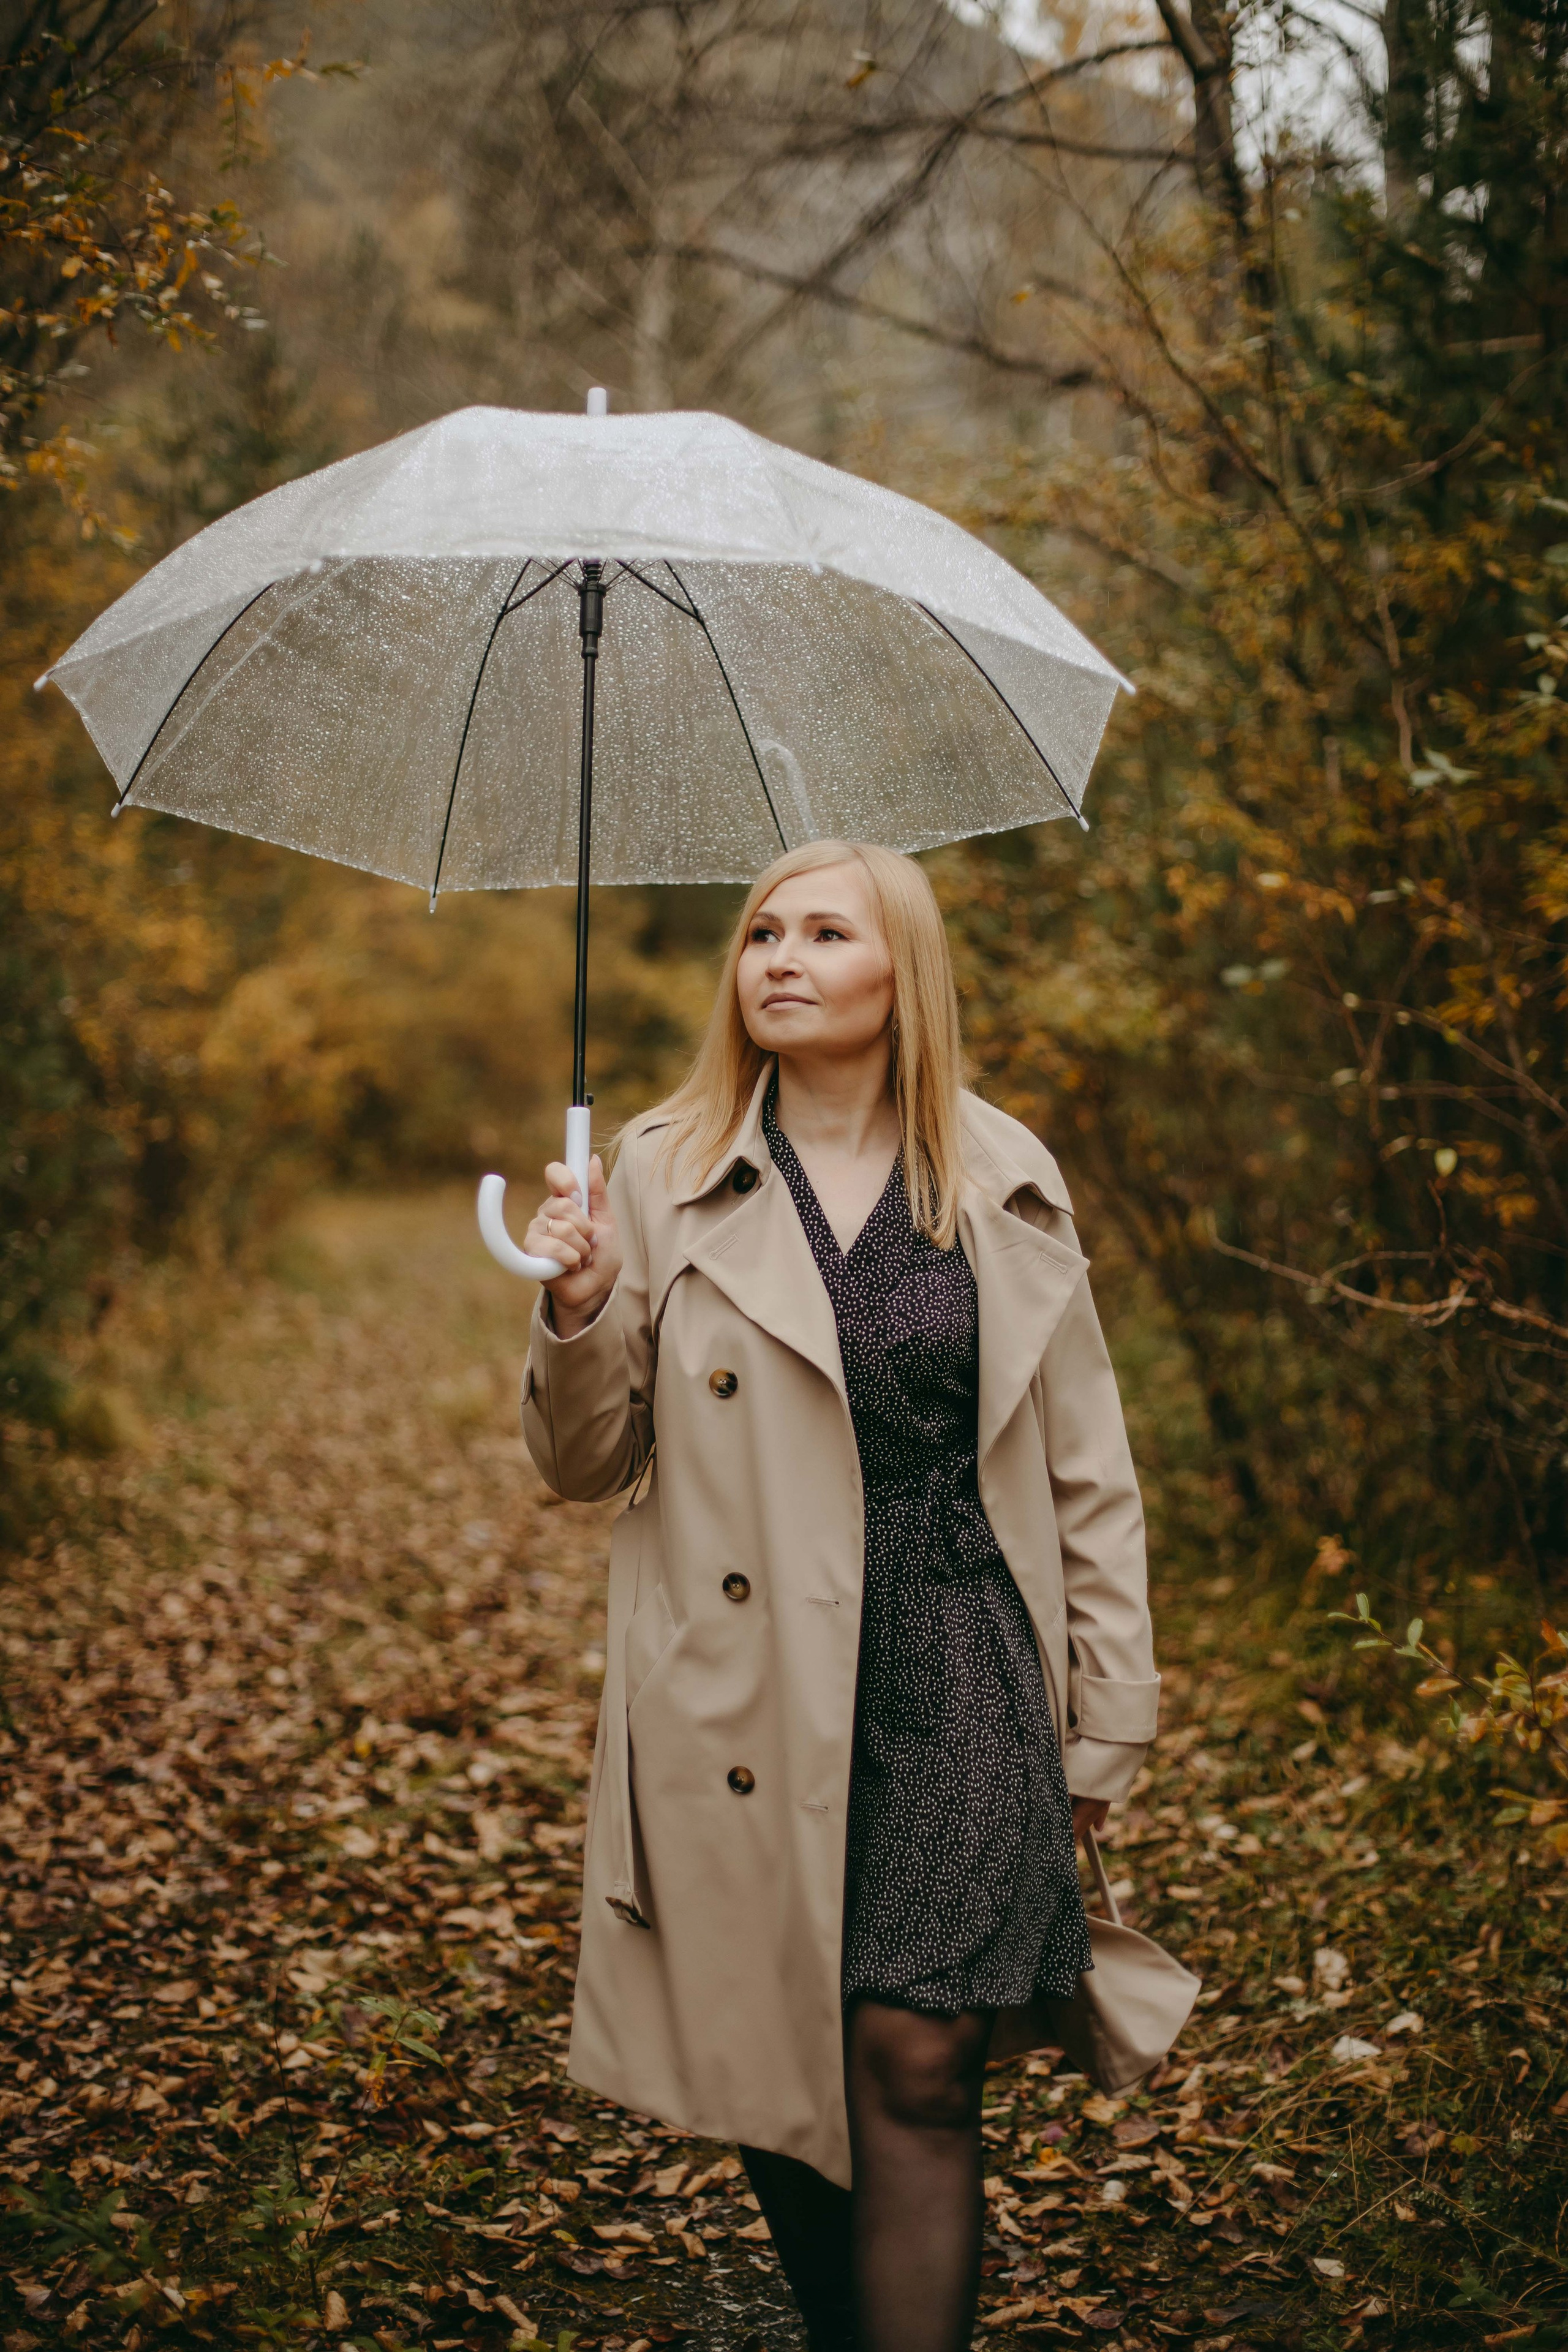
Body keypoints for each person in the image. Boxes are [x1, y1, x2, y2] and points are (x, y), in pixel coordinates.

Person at [519, 840, 1159, 2352]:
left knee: (918, 2065)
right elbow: (584, 1461)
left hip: (955, 1658)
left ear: (902, 974)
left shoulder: (999, 1174)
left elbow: (1085, 1462)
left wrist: (1109, 1711)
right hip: (744, 1688)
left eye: (825, 932)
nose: (780, 959)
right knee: (781, 2067)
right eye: (760, 933)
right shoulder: (662, 1171)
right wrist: (580, 1301)